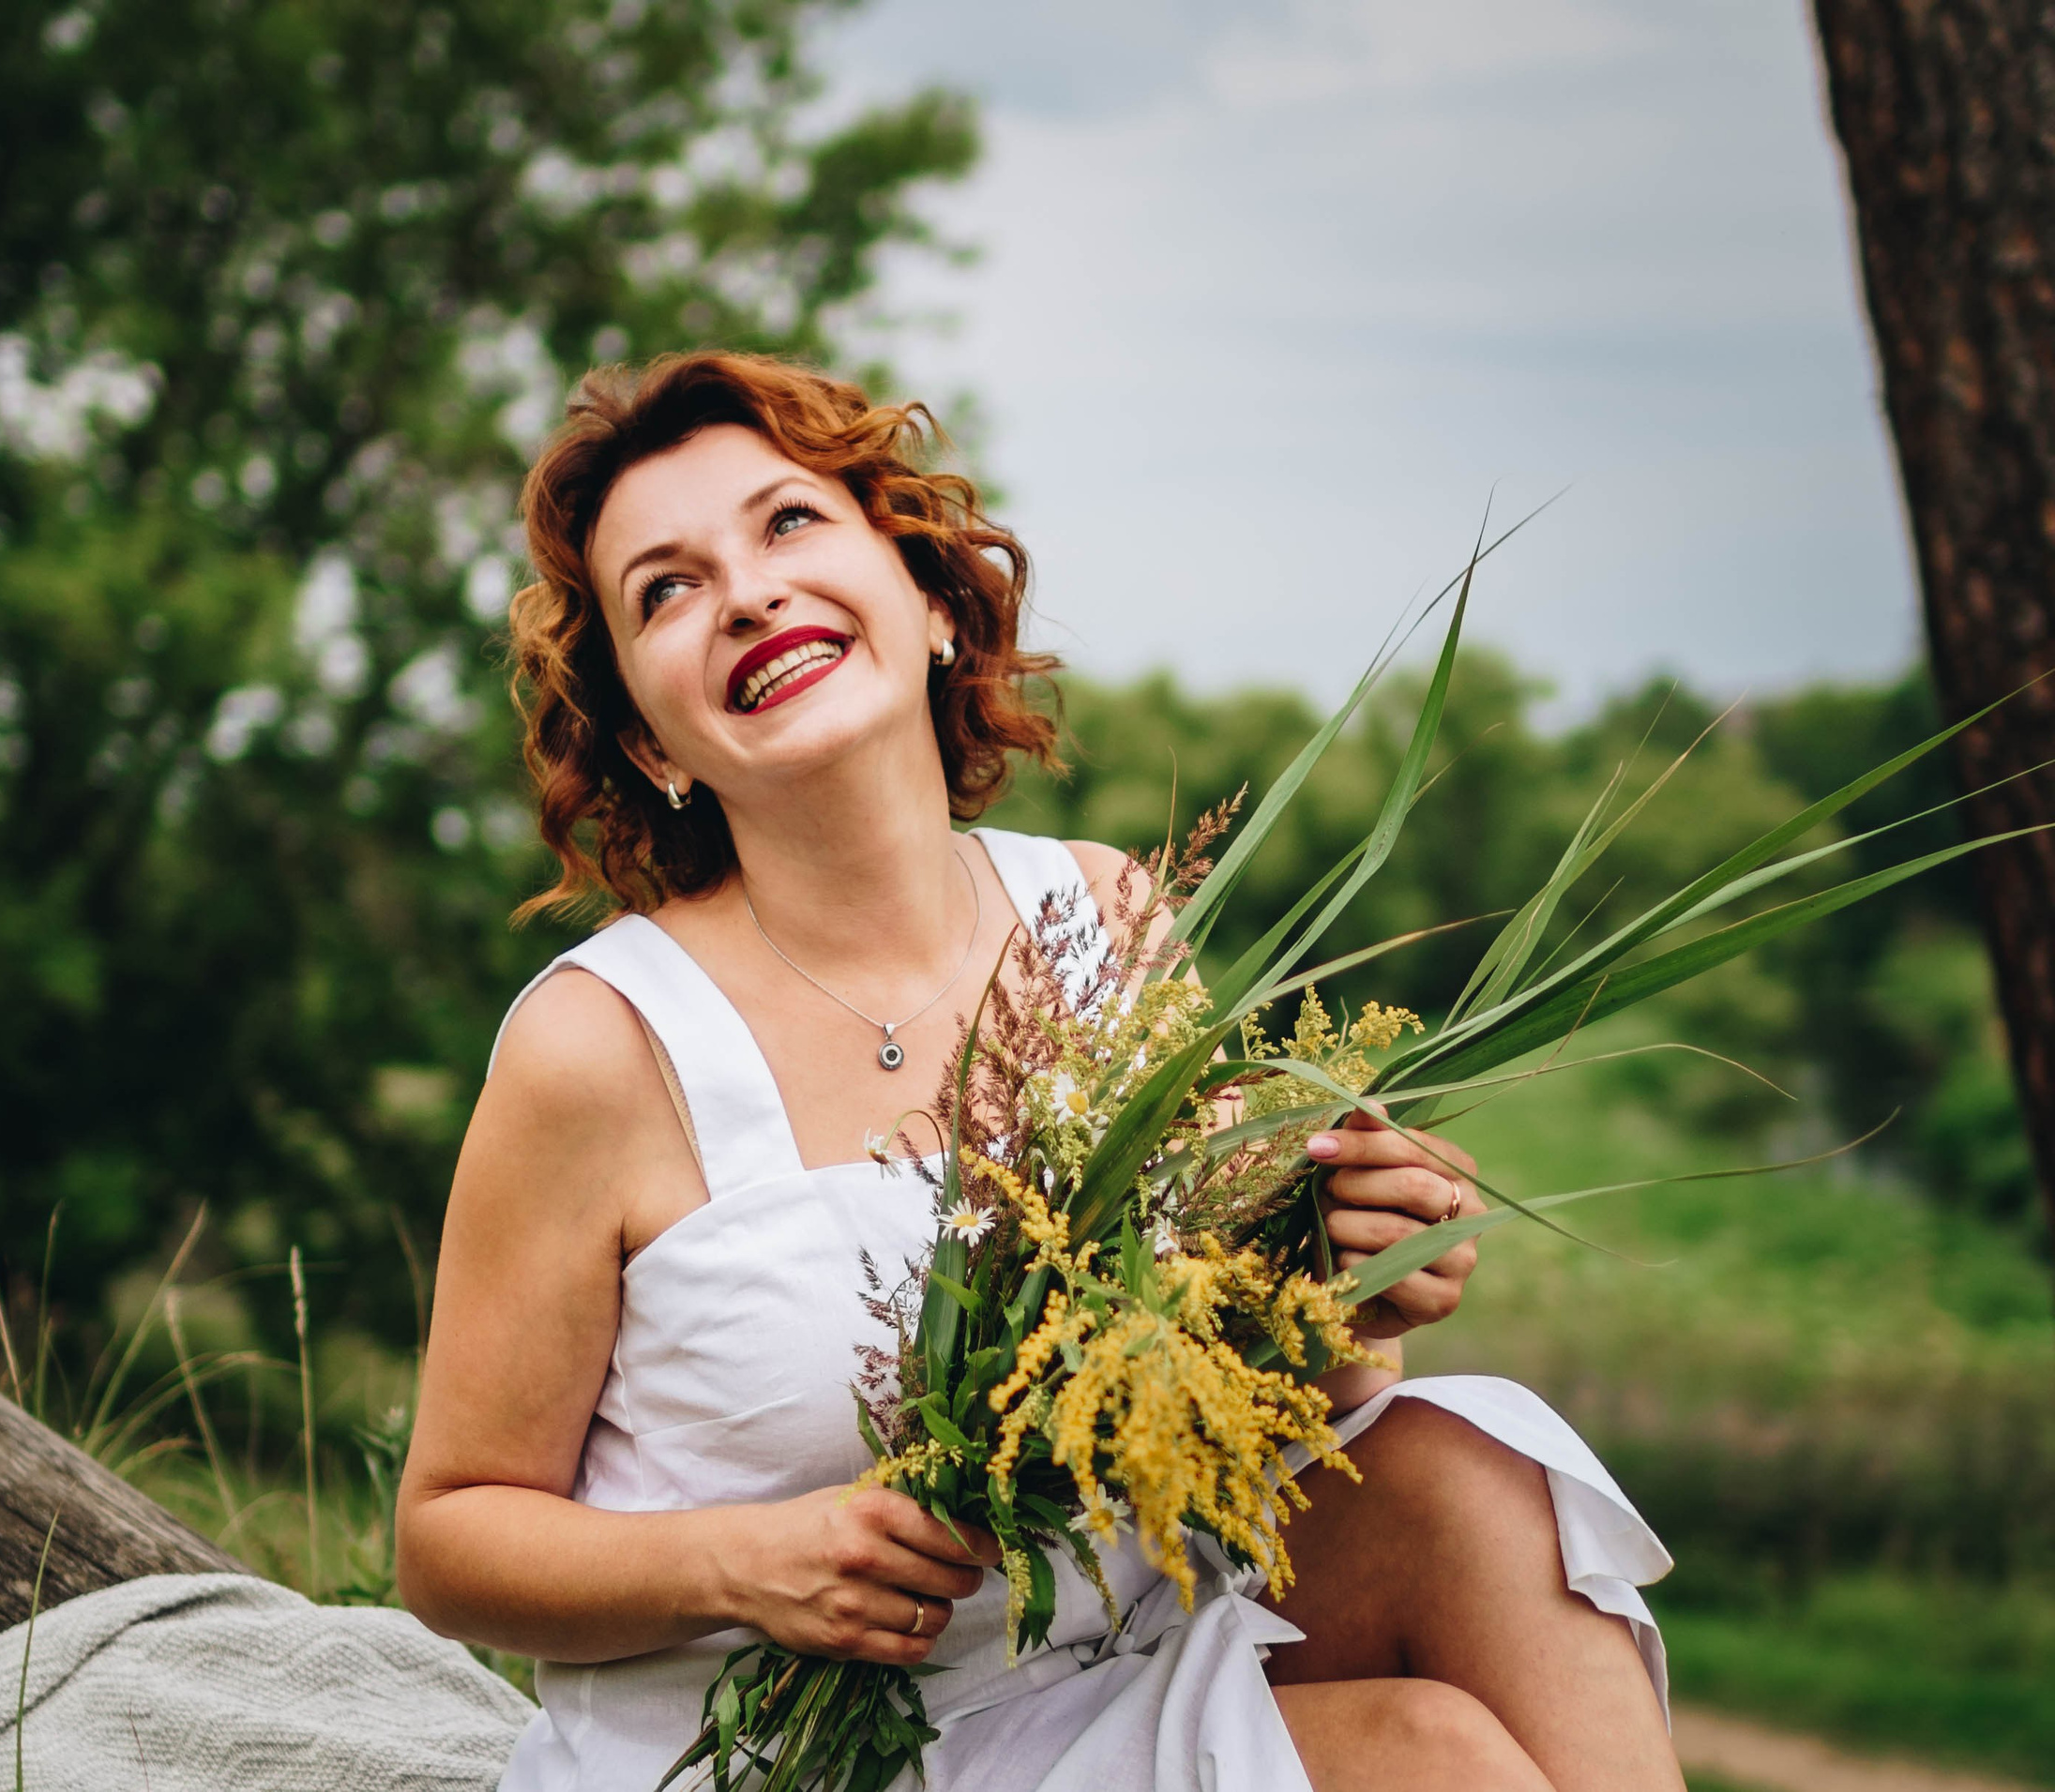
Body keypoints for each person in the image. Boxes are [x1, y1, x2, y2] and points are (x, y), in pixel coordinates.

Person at [397, 353, 1683, 1792]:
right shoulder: (601, 1044)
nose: (748, 591)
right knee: (1427, 1758)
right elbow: (450, 1538)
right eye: (669, 588)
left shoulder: (1100, 919)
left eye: (789, 526)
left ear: (936, 605)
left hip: (1121, 1670)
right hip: (790, 1753)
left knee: (1470, 1471)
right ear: (651, 738)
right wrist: (741, 1565)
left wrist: (1343, 1280)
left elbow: (1270, 1397)